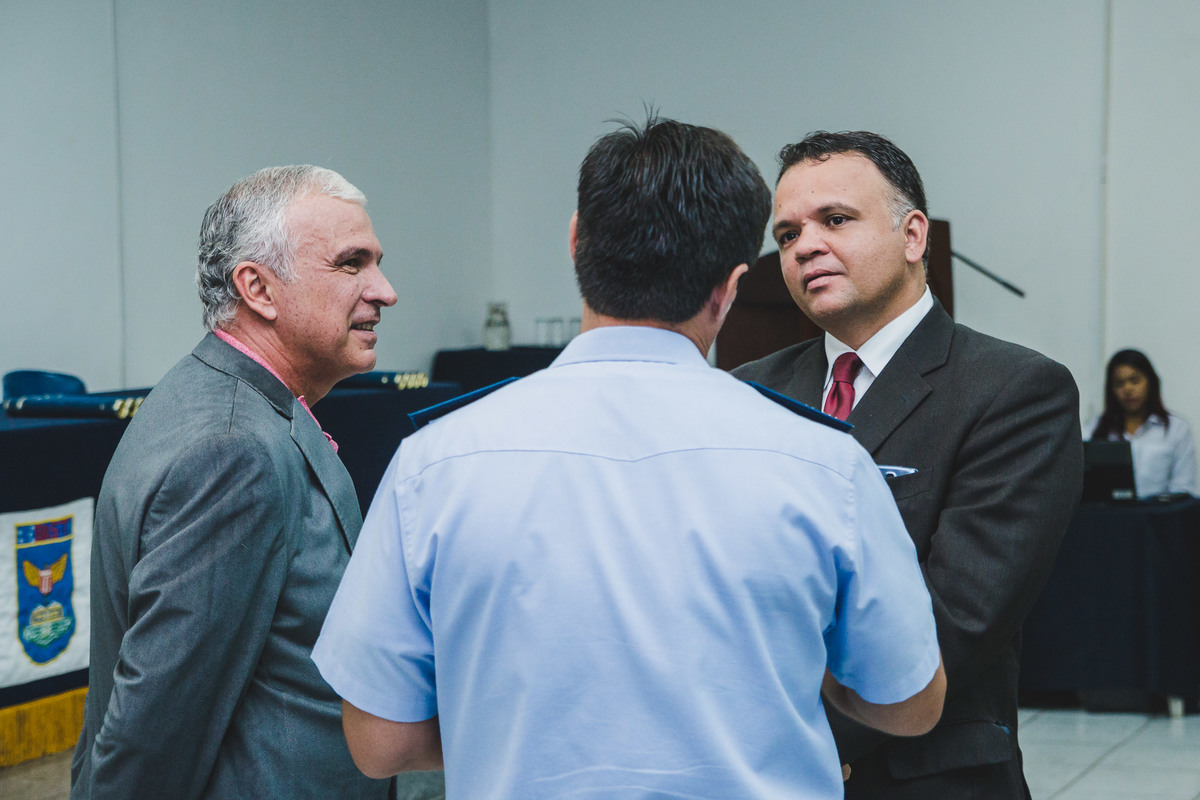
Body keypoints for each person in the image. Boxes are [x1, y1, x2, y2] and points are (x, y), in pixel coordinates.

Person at [312, 116, 947, 799]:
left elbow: (380, 743)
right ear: (731, 285)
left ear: (577, 240)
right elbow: (911, 704)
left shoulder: (432, 464)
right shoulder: (826, 464)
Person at [734, 131, 1084, 798]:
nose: (805, 245)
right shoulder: (751, 389)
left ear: (914, 235)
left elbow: (958, 620)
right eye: (786, 235)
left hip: (922, 775)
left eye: (835, 220)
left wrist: (787, 741)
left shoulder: (1012, 390)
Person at [69, 165, 433, 799]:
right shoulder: (232, 450)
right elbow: (152, 735)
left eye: (376, 263)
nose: (385, 290)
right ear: (258, 288)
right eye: (352, 264)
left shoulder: (236, 405)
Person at [1088, 349, 1198, 497]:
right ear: (1111, 389)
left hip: (1159, 516)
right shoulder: (1096, 427)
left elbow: (1184, 489)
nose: (1128, 389)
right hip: (1110, 515)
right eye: (1119, 383)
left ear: (1150, 382)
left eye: (1135, 380)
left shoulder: (1176, 429)